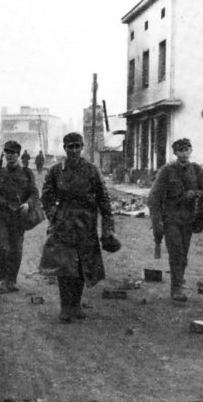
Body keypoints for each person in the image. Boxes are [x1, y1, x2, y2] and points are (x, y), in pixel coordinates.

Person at [39, 132, 118, 323]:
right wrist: (54, 216)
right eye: (70, 147)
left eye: (77, 146)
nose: (73, 150)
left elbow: (103, 199)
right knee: (65, 266)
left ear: (81, 148)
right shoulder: (56, 171)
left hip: (85, 223)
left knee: (83, 266)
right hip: (63, 225)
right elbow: (46, 197)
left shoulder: (91, 170)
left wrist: (107, 227)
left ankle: (76, 305)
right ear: (64, 149)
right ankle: (66, 307)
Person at [147, 138, 203, 302]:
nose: (184, 153)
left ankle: (179, 282)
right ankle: (177, 288)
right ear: (175, 153)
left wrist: (195, 193)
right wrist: (157, 222)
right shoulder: (167, 171)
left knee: (183, 253)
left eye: (187, 149)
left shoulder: (196, 170)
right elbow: (153, 197)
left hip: (188, 219)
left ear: (191, 151)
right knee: (176, 252)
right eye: (180, 150)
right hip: (171, 217)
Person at [0, 141, 39, 293]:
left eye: (13, 153)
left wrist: (28, 204)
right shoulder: (0, 173)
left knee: (16, 249)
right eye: (7, 152)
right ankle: (2, 279)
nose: (9, 155)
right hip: (0, 216)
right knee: (0, 246)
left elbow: (34, 194)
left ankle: (12, 280)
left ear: (18, 155)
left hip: (18, 217)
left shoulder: (27, 173)